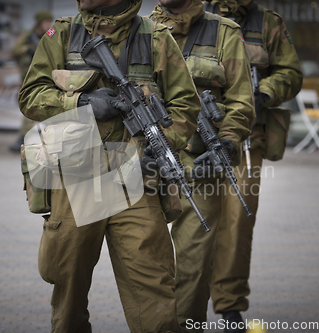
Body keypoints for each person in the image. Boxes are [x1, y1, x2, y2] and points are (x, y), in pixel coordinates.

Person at [18, 0, 202, 332]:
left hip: (135, 179)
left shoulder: (156, 37)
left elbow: (186, 105)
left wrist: (162, 147)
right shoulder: (61, 32)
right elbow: (31, 95)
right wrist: (81, 102)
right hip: (74, 176)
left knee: (155, 292)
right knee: (68, 292)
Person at [149, 1, 254, 331]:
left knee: (193, 263)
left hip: (200, 163)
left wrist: (229, 140)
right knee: (145, 263)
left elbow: (241, 99)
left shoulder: (224, 32)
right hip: (146, 160)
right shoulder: (140, 30)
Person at [203, 0, 303, 331]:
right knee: (190, 219)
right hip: (195, 138)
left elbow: (291, 72)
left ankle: (229, 305)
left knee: (237, 222)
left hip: (247, 141)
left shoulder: (266, 22)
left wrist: (263, 94)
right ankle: (181, 301)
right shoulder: (193, 14)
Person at [9, 10, 53, 152]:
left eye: (49, 21)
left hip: (48, 76)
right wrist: (27, 48)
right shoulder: (28, 36)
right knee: (30, 106)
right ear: (39, 23)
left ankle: (33, 137)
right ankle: (23, 137)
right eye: (46, 21)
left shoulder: (52, 33)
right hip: (29, 77)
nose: (49, 24)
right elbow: (14, 51)